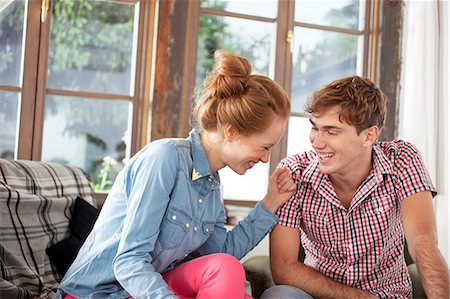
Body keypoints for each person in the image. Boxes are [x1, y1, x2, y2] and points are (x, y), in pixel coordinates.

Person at [55, 50, 295, 299]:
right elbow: (128, 261)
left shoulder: (211, 185)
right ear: (232, 131)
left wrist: (270, 203)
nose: (266, 158)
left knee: (225, 270)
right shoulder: (164, 158)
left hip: (138, 291)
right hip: (97, 293)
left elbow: (223, 253)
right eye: (264, 146)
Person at [262, 76, 449, 299]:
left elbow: (422, 240)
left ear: (369, 136)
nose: (317, 142)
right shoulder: (293, 173)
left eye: (331, 131)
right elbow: (284, 267)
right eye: (315, 128)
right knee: (280, 296)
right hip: (318, 295)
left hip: (388, 295)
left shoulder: (402, 160)